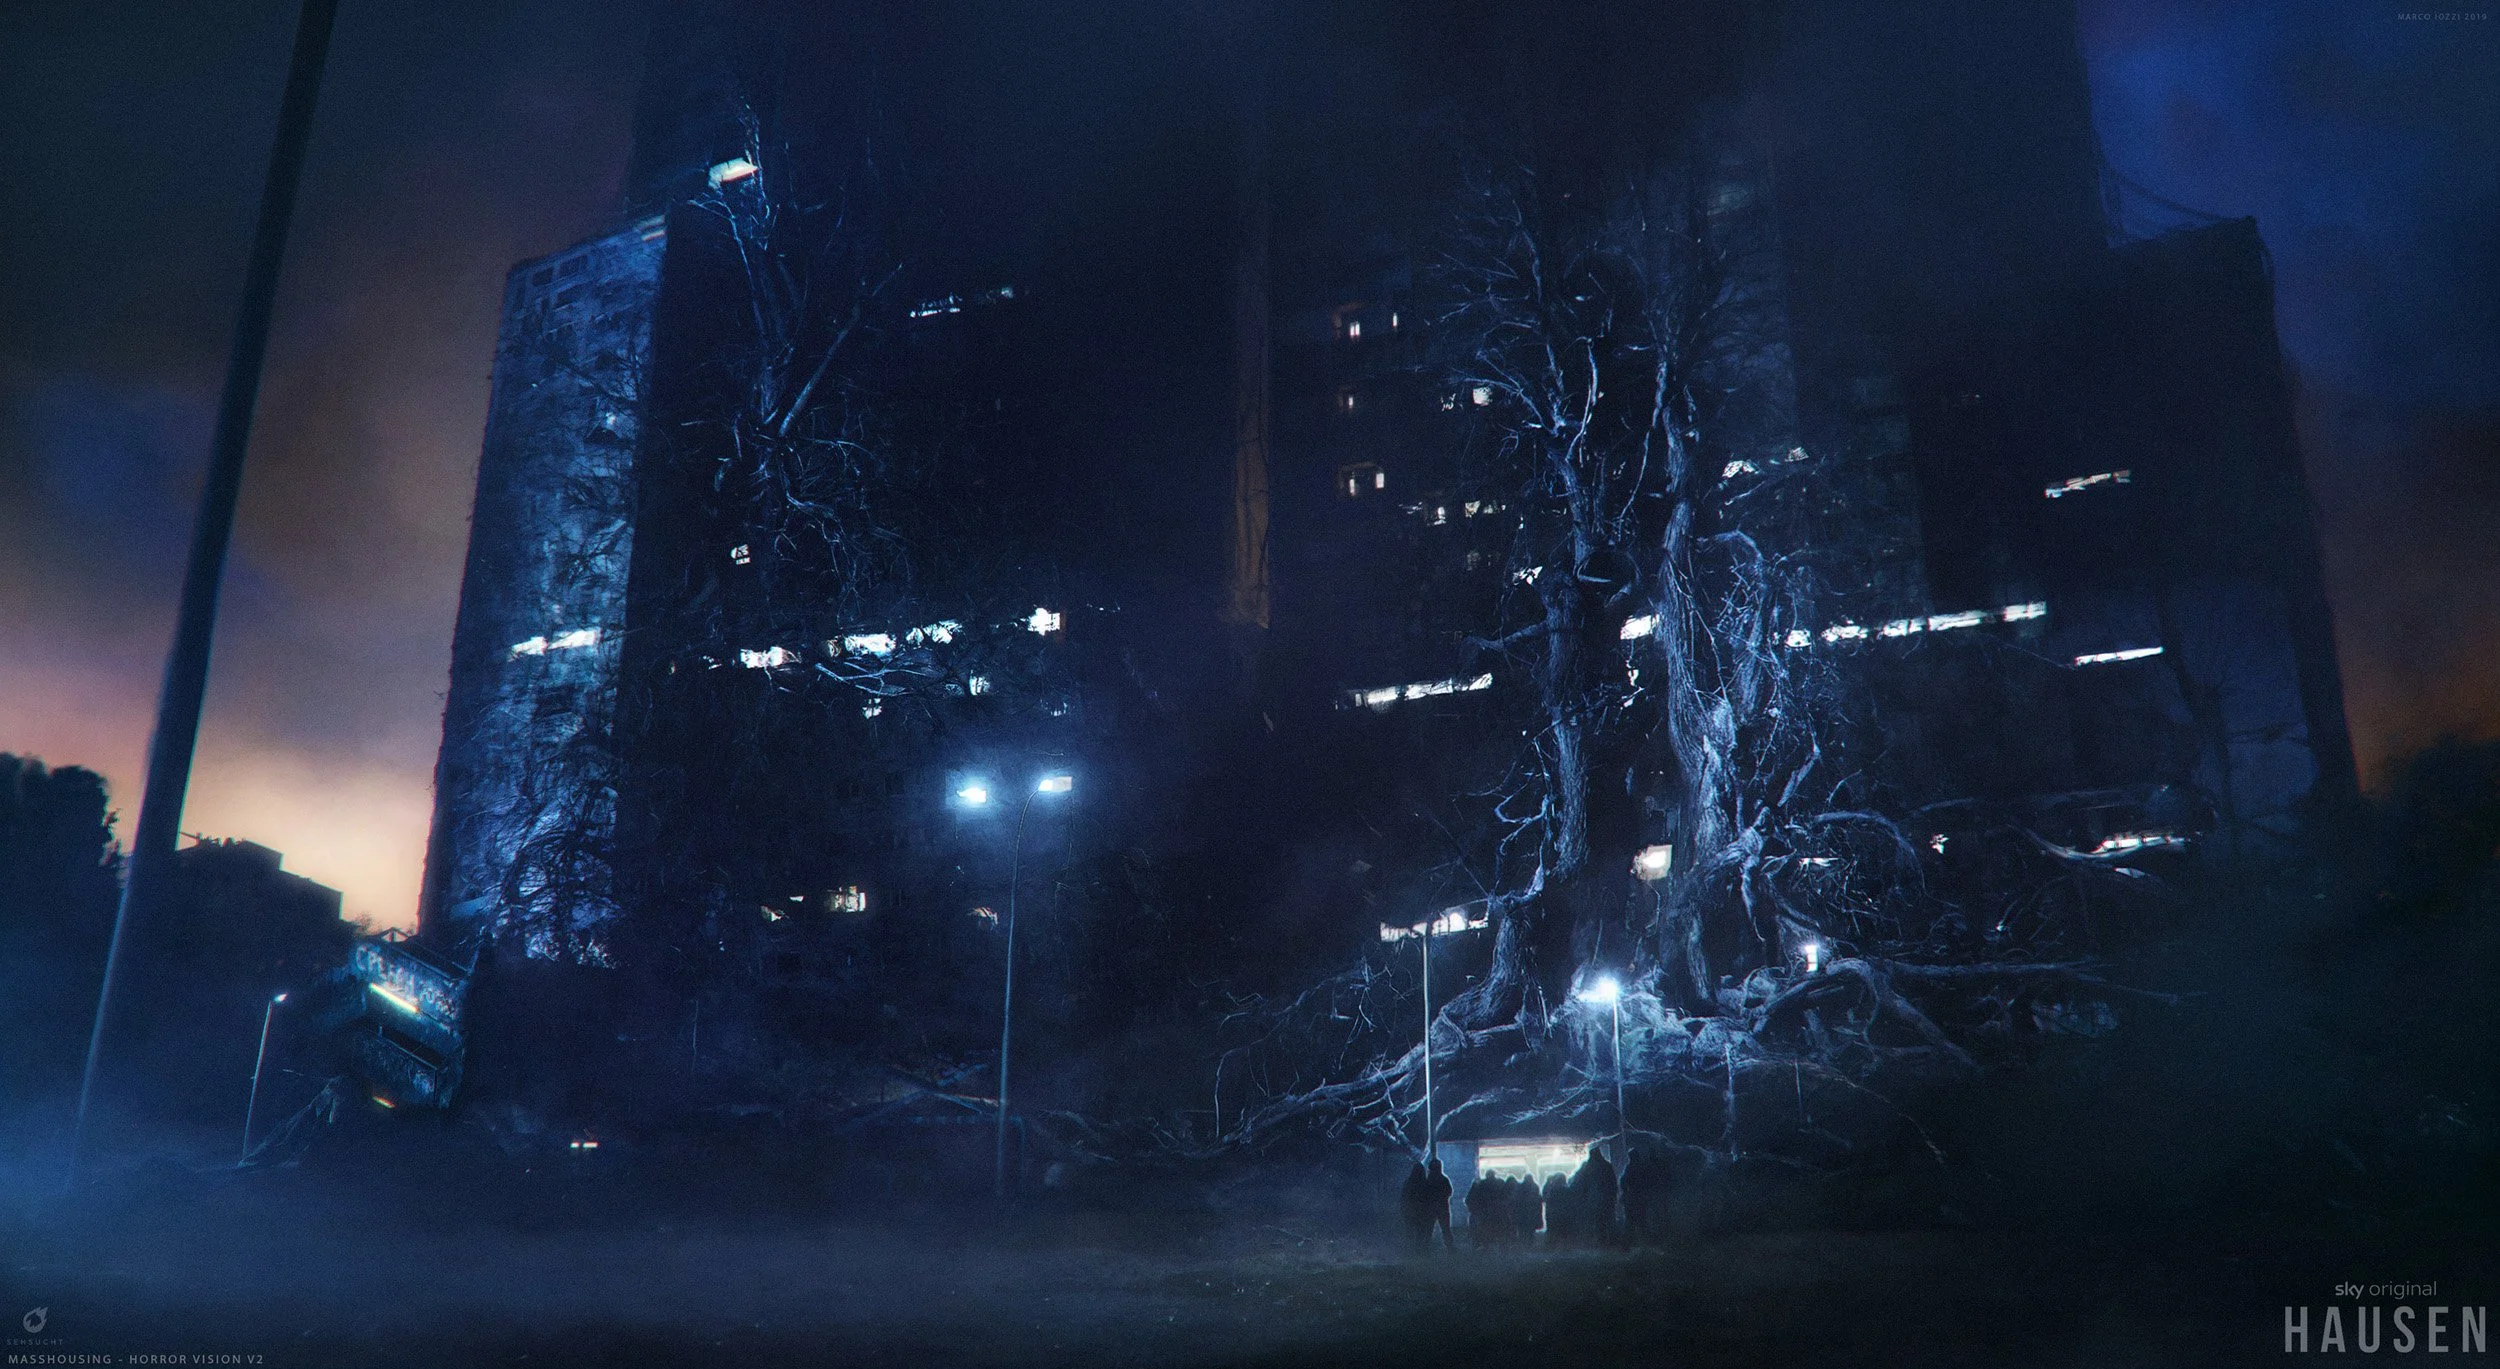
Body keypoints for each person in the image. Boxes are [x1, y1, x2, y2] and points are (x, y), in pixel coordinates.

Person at [1572, 1141, 1619, 1248]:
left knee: (1596, 1223)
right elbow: (1613, 1183)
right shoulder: (1606, 1166)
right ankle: (1610, 1243)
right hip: (1605, 1200)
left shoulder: (1587, 1167)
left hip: (1592, 1201)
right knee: (1607, 1222)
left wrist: (1581, 1198)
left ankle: (1599, 1243)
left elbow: (1580, 1184)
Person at [1398, 1159, 1432, 1253]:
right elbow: (1428, 1198)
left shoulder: (1408, 1183)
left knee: (1410, 1232)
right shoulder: (1425, 1183)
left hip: (1410, 1211)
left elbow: (1404, 1197)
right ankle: (1418, 1250)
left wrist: (1404, 1210)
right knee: (1420, 1232)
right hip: (1421, 1212)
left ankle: (1410, 1250)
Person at [1422, 1156, 1454, 1252]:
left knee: (1429, 1228)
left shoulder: (1427, 1180)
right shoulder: (1444, 1179)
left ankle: (1426, 1247)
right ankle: (1449, 1246)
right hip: (1442, 1207)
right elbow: (1449, 1192)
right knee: (1445, 1228)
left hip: (1430, 1207)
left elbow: (1423, 1194)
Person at [1541, 1171, 1573, 1247]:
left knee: (1553, 1230)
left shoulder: (1553, 1189)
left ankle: (1552, 1245)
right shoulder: (1567, 1189)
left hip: (1554, 1213)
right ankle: (1564, 1246)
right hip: (1564, 1213)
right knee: (1563, 1231)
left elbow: (1547, 1199)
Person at [1513, 1174, 1544, 1245]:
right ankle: (1530, 1243)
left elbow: (1517, 1199)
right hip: (1531, 1212)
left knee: (1523, 1230)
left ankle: (1523, 1244)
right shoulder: (1535, 1186)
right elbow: (1538, 1199)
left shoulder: (1520, 1187)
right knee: (1530, 1230)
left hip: (1523, 1212)